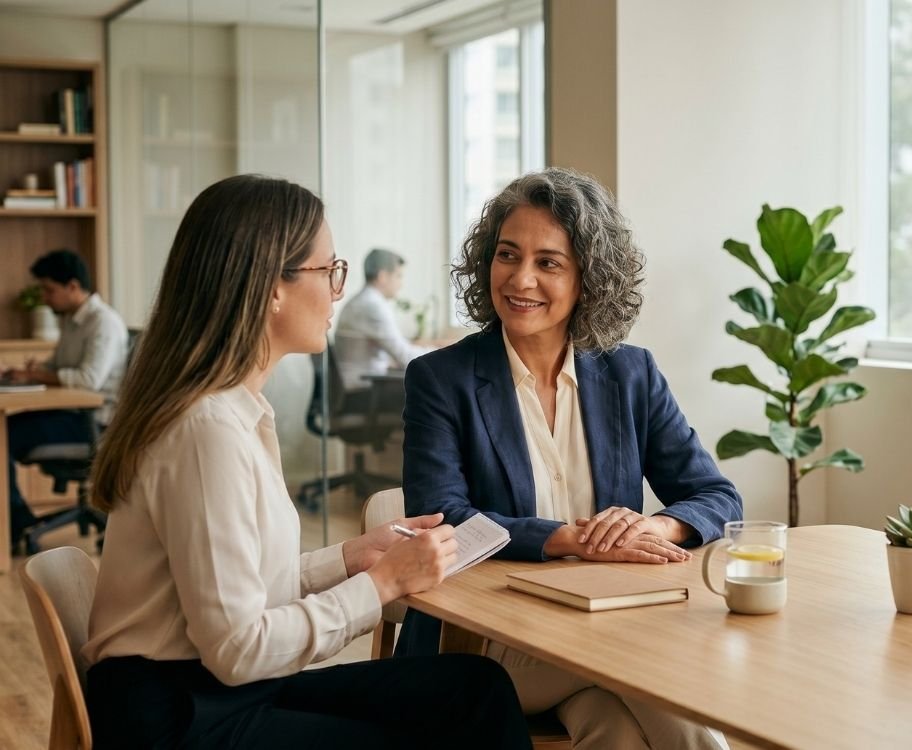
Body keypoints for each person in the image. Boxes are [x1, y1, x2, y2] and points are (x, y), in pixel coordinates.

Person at [80, 174, 530, 749]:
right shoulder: (206, 431)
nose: (337, 290)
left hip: (208, 686)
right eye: (329, 270)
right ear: (272, 287)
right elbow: (238, 649)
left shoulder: (232, 414)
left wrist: (349, 559)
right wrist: (382, 584)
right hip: (182, 716)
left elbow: (239, 591)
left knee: (475, 689)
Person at [397, 167, 742, 749]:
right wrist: (569, 538)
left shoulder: (631, 374)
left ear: (589, 278)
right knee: (648, 668)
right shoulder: (440, 378)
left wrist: (651, 524)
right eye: (507, 255)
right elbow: (441, 516)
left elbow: (716, 496)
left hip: (603, 625)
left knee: (615, 731)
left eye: (548, 262)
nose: (521, 278)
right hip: (485, 641)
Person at [4, 249, 127, 549]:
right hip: (70, 415)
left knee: (4, 435)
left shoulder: (103, 323)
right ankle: (15, 518)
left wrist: (38, 377)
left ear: (73, 286)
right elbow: (58, 367)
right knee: (5, 430)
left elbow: (88, 380)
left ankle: (17, 521)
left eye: (50, 290)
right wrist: (27, 372)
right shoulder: (72, 321)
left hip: (94, 425)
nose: (45, 298)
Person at [334, 248, 427, 411]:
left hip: (356, 391)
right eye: (398, 276)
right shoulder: (371, 305)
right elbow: (406, 357)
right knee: (432, 393)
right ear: (383, 276)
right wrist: (448, 352)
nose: (401, 284)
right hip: (362, 396)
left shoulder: (362, 301)